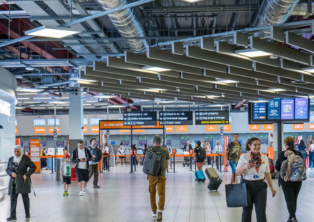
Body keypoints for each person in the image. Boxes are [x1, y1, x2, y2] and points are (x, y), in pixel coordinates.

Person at [236, 138, 276, 222]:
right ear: (249, 146)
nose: (257, 146)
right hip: (247, 186)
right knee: (246, 211)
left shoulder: (264, 157)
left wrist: (272, 188)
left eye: (259, 144)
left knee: (261, 212)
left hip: (260, 186)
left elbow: (267, 173)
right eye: (255, 144)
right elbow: (237, 173)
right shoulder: (244, 157)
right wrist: (245, 167)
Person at [275, 137, 303, 222]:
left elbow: (277, 167)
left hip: (286, 180)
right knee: (294, 199)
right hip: (297, 180)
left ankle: (293, 217)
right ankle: (292, 217)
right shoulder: (299, 153)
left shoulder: (282, 154)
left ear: (285, 143)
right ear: (293, 143)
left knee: (289, 200)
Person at [6, 145, 36, 221]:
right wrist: (10, 173)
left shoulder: (25, 158)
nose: (16, 153)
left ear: (21, 151)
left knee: (25, 197)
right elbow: (7, 169)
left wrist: (26, 174)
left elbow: (33, 167)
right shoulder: (11, 159)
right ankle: (12, 215)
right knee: (13, 199)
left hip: (23, 181)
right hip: (13, 182)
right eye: (15, 151)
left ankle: (27, 213)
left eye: (18, 151)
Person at [148, 135, 170, 221]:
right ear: (160, 142)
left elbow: (147, 164)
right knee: (161, 193)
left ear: (153, 142)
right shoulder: (165, 151)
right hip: (161, 175)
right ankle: (160, 210)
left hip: (151, 175)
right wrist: (162, 171)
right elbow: (167, 165)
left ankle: (154, 211)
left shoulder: (149, 150)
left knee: (152, 193)